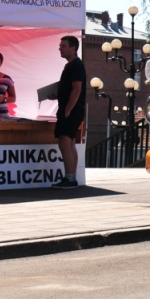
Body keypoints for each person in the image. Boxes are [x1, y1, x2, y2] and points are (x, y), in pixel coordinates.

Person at [52, 36, 87, 189]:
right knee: (70, 143)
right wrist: (57, 95)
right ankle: (71, 177)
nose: (60, 48)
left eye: (63, 46)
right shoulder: (71, 66)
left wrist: (68, 109)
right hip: (72, 110)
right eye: (60, 45)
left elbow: (77, 88)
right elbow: (70, 89)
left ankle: (70, 178)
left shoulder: (76, 65)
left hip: (71, 111)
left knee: (65, 143)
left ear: (73, 48)